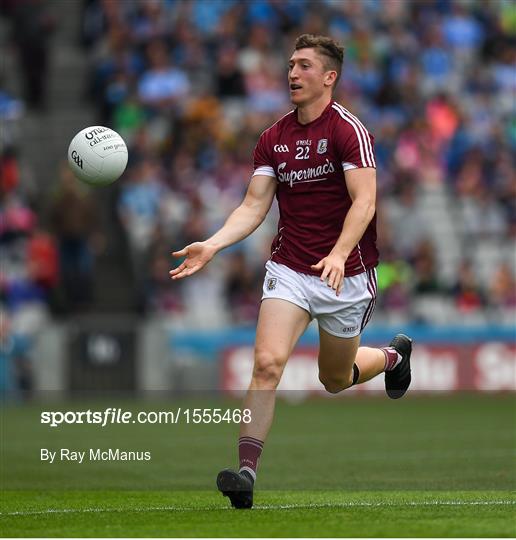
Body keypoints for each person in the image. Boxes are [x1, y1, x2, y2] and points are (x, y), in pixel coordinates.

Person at [170, 34, 412, 509]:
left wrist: (340, 254)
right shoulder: (273, 138)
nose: (292, 74)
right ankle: (245, 475)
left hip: (347, 273)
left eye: (303, 66)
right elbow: (253, 205)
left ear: (329, 77)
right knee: (266, 365)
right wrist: (213, 245)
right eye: (290, 65)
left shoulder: (348, 130)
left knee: (335, 380)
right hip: (291, 269)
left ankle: (392, 357)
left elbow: (365, 201)